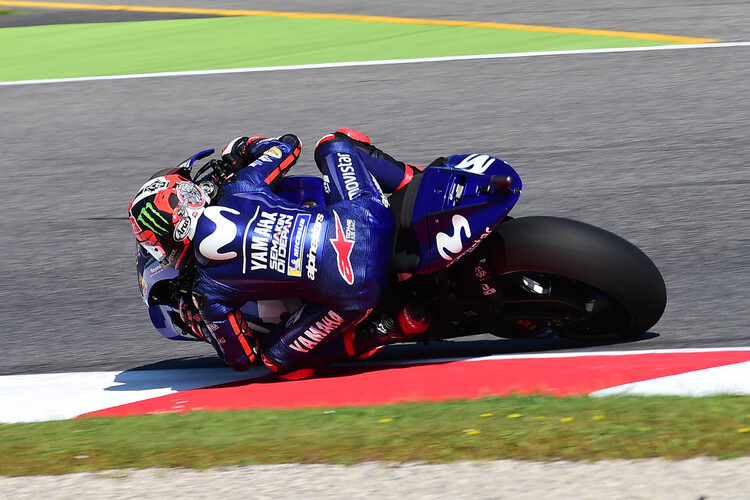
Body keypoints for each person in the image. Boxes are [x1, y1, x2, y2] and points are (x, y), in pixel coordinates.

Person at [128, 129, 430, 379]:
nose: (158, 252)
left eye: (156, 245)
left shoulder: (207, 292)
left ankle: (384, 329)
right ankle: (415, 180)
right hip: (366, 217)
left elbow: (244, 357)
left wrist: (201, 322)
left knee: (276, 361)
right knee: (333, 143)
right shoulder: (241, 187)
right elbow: (288, 145)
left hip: (356, 291)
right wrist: (241, 149)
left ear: (173, 238)